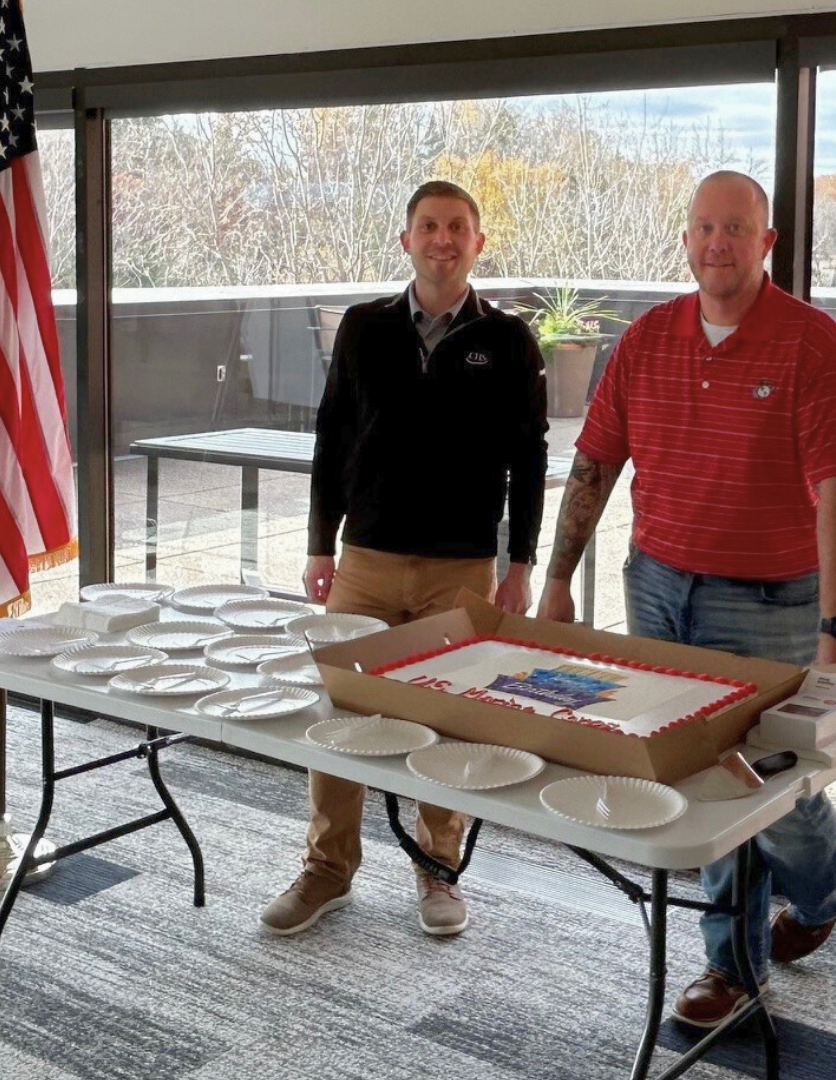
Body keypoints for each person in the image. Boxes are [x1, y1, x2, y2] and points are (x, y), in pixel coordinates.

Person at [536, 170, 836, 1027]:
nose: (718, 243)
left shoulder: (814, 345)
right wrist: (557, 578)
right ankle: (732, 966)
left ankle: (827, 886)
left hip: (769, 602)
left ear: (767, 242)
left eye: (736, 228)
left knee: (766, 780)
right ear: (685, 240)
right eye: (704, 228)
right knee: (699, 777)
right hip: (656, 588)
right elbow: (595, 463)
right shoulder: (648, 339)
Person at [263, 180, 547, 939]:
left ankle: (438, 869)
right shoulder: (364, 327)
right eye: (428, 226)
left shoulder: (509, 340)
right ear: (406, 240)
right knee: (338, 718)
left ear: (478, 243)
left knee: (447, 723)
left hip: (462, 567)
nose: (442, 239)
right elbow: (332, 434)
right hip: (366, 559)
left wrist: (520, 563)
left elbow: (528, 457)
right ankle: (328, 869)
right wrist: (319, 542)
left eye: (456, 227)